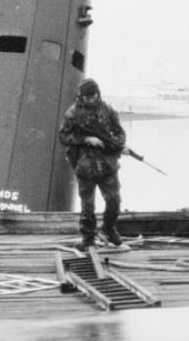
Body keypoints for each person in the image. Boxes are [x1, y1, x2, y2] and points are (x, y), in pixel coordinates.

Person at [58, 78, 126, 251]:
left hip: (107, 165)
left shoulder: (107, 110)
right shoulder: (73, 113)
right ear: (82, 96)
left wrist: (114, 144)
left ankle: (109, 230)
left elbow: (119, 133)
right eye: (87, 97)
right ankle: (88, 240)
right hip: (85, 165)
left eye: (93, 96)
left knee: (114, 201)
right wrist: (87, 139)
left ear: (98, 94)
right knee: (87, 206)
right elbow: (64, 136)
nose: (90, 100)